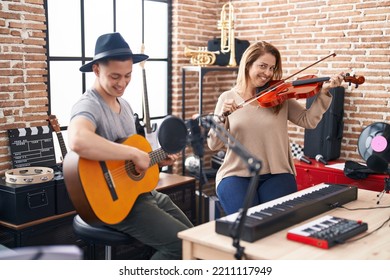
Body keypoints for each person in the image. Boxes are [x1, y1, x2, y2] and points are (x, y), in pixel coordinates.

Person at [67, 32, 193, 259]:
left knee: (195, 240)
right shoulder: (89, 104)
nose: (122, 83)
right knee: (182, 248)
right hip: (116, 203)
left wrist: (155, 160)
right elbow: (77, 139)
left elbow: (129, 163)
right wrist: (134, 153)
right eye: (115, 76)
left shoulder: (124, 105)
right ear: (96, 70)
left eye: (128, 75)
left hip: (142, 194)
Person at [207, 41, 344, 215]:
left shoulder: (278, 95)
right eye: (263, 66)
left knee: (277, 223)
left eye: (272, 68)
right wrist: (221, 117)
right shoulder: (227, 98)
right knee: (247, 224)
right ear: (248, 65)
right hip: (236, 174)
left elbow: (308, 120)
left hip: (276, 172)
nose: (267, 73)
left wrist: (324, 93)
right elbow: (213, 145)